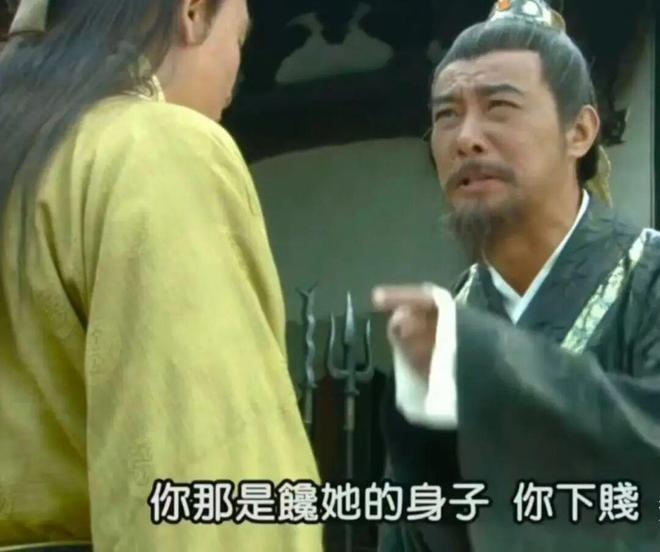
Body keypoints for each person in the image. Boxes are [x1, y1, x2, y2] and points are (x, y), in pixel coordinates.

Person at [0, 0, 321, 550]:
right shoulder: (152, 150)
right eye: (238, 41)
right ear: (193, 12)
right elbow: (208, 493)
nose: (231, 91)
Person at [373, 1, 660, 550]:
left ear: (580, 131)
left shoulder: (648, 280)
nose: (466, 138)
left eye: (499, 107)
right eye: (446, 114)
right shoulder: (446, 319)